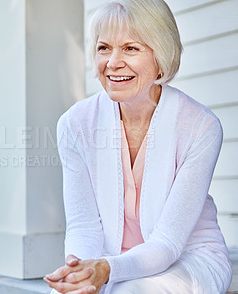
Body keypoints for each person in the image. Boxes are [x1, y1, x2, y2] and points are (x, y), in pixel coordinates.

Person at [43, 0, 232, 293]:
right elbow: (84, 227)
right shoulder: (75, 124)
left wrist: (107, 269)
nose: (113, 62)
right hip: (109, 260)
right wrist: (79, 270)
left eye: (131, 48)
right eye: (104, 47)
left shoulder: (200, 126)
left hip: (188, 259)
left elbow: (168, 243)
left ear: (161, 55)